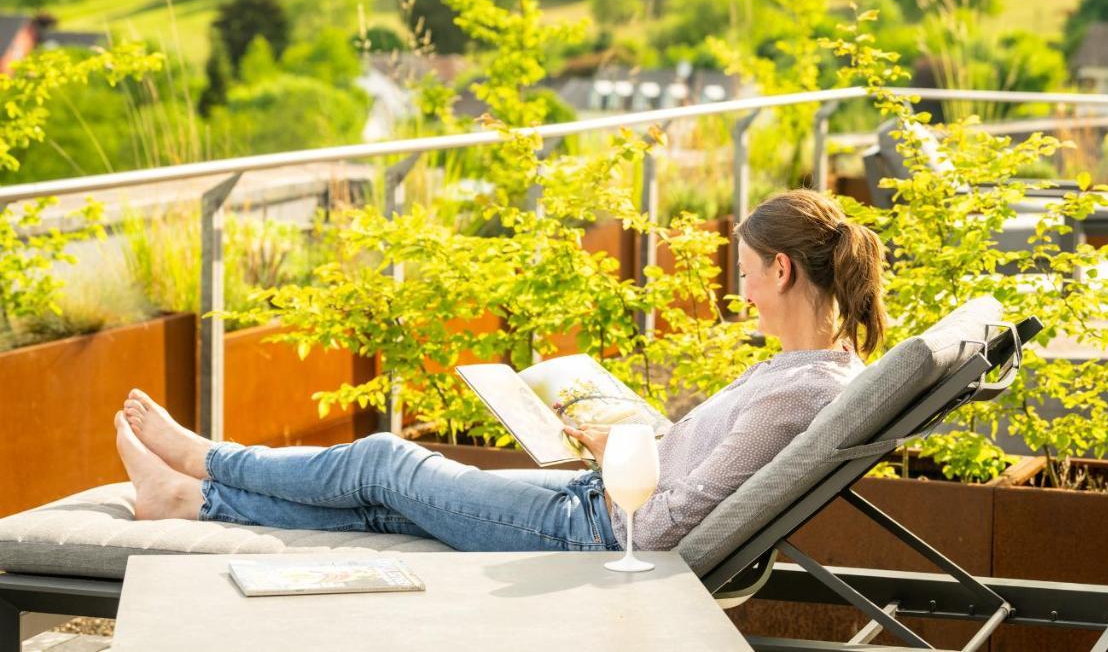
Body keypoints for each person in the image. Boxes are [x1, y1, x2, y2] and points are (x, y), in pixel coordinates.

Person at [114, 189, 887, 552]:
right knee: (393, 507)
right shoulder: (811, 369)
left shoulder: (796, 395)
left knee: (387, 461)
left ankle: (202, 460)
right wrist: (613, 432)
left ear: (782, 269)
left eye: (747, 271)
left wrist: (617, 462)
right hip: (596, 494)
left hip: (589, 525)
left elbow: (666, 524)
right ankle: (193, 499)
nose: (739, 287)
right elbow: (696, 464)